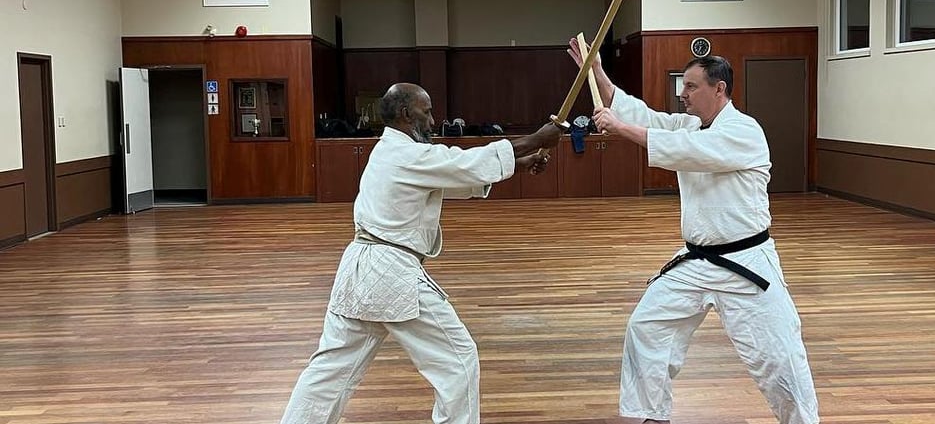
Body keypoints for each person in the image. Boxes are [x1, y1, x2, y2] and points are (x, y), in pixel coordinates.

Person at [567, 39, 819, 424]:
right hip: (697, 263)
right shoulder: (689, 125)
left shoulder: (744, 131)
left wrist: (619, 128)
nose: (681, 94)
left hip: (746, 264)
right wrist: (597, 71)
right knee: (646, 326)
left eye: (690, 86)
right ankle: (652, 415)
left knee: (778, 356)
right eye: (681, 86)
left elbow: (688, 150)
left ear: (719, 89)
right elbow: (644, 114)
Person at [279, 83, 562, 424]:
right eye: (426, 111)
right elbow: (461, 163)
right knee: (458, 359)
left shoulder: (396, 152)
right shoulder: (405, 154)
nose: (432, 119)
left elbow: (453, 176)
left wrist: (522, 161)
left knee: (332, 368)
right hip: (389, 272)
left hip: (359, 268)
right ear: (405, 114)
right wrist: (536, 138)